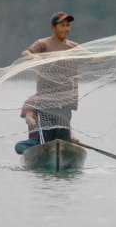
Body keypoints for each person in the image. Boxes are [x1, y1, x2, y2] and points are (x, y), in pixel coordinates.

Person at [20, 11, 80, 145]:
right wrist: (34, 57)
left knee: (64, 140)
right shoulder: (43, 43)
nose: (66, 29)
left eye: (67, 25)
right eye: (62, 25)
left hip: (65, 103)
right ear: (53, 28)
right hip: (45, 103)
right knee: (45, 142)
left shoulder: (73, 47)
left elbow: (94, 58)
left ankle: (62, 156)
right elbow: (26, 52)